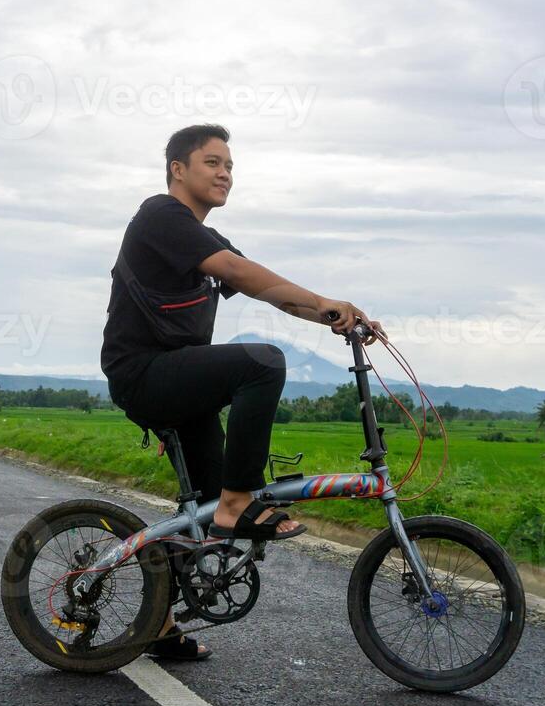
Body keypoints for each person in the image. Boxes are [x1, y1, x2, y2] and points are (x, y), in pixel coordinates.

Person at [100, 123, 384, 661]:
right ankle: (240, 501)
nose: (225, 173)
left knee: (202, 509)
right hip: (143, 371)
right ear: (177, 170)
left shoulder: (201, 238)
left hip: (174, 377)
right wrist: (326, 299)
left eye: (230, 166)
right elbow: (236, 271)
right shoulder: (160, 215)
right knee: (263, 362)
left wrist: (337, 317)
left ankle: (160, 623)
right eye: (212, 162)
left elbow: (268, 290)